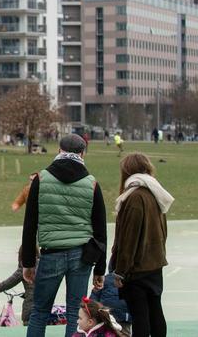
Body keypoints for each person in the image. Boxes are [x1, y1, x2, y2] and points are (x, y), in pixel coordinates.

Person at [21, 134, 108, 337]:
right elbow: (100, 230)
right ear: (82, 153)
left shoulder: (41, 179)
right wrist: (100, 269)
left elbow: (30, 224)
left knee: (40, 312)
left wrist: (28, 262)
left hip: (51, 253)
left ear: (59, 150)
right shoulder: (91, 183)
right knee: (74, 314)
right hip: (82, 255)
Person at [111, 153, 173, 337]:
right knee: (155, 311)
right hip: (154, 263)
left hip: (136, 267)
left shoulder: (135, 197)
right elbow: (164, 231)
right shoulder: (156, 192)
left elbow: (128, 239)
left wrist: (120, 271)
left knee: (140, 316)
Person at [0, 247, 35, 326]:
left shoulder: (25, 267)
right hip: (45, 303)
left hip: (31, 305)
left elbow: (11, 281)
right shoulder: (44, 264)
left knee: (29, 324)